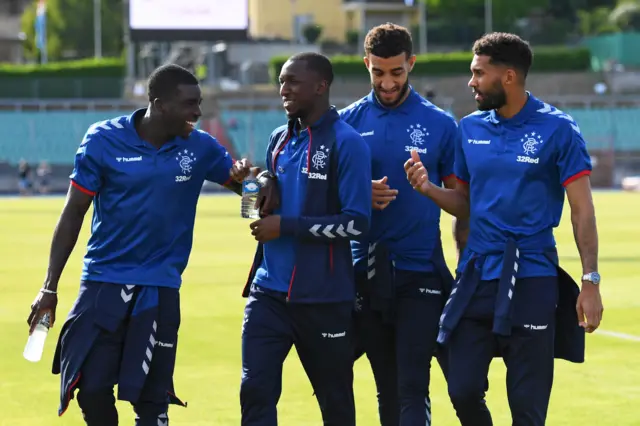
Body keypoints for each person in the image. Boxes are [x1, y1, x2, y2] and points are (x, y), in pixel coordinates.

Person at [26, 64, 252, 426]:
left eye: (200, 102)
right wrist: (49, 287)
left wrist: (250, 181)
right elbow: (72, 214)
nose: (198, 112)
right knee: (92, 389)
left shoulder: (201, 147)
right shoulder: (102, 139)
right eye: (189, 104)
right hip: (102, 283)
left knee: (152, 402)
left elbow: (252, 205)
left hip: (160, 290)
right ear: (160, 105)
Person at [405, 32, 603, 426]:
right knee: (461, 387)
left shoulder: (558, 129)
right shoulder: (470, 128)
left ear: (508, 76)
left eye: (479, 73)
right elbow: (465, 204)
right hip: (477, 276)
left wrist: (590, 281)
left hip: (532, 277)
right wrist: (428, 189)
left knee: (527, 407)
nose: (471, 82)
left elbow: (582, 210)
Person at [338, 23, 466, 426]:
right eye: (378, 72)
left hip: (419, 271)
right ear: (366, 65)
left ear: (411, 63)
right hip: (364, 271)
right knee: (385, 387)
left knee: (413, 384)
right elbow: (319, 197)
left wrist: (427, 188)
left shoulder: (442, 124)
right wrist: (360, 192)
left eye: (396, 72)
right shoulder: (344, 123)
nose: (387, 82)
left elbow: (463, 204)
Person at [239, 52, 372, 426]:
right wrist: (253, 183)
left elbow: (357, 224)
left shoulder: (348, 143)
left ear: (321, 86)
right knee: (254, 390)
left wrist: (288, 227)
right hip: (268, 295)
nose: (284, 89)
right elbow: (252, 212)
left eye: (293, 81)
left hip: (323, 298)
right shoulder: (278, 141)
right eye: (281, 81)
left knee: (335, 401)